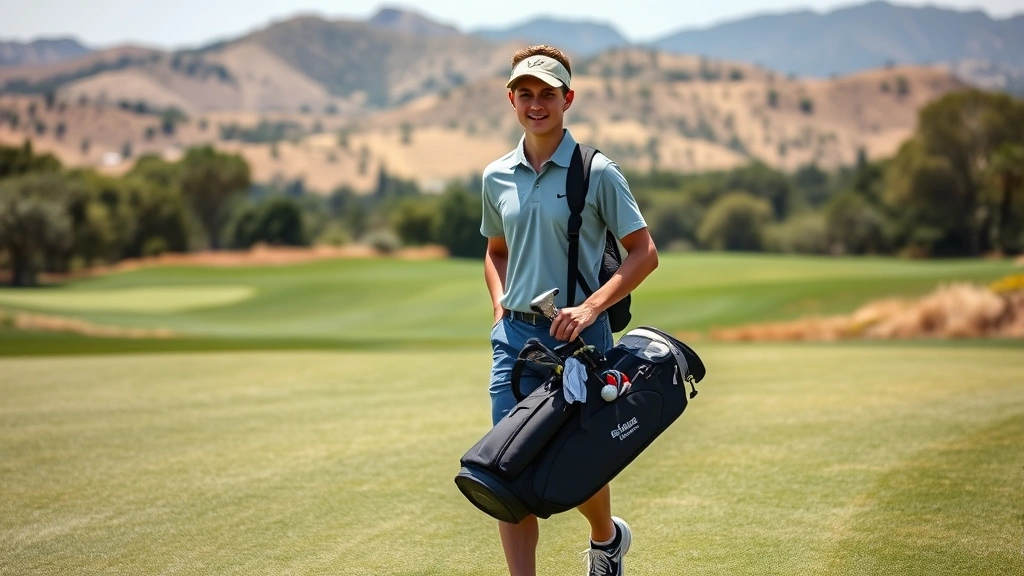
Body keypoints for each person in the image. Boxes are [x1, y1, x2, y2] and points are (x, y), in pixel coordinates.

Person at [479, 44, 659, 576]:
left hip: (581, 342)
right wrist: (499, 306)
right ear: (512, 99)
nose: (537, 104)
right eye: (526, 94)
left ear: (568, 99)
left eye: (548, 94)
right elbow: (495, 252)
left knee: (579, 462)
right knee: (505, 468)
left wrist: (588, 309)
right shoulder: (496, 176)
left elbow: (644, 253)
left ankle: (606, 540)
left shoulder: (597, 172)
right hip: (514, 342)